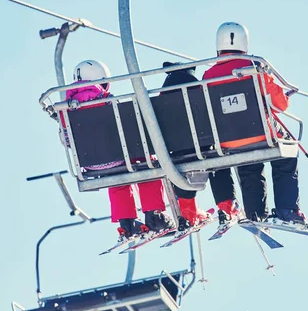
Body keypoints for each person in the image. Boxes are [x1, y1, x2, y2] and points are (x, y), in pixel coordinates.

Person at [202, 22, 308, 229]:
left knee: (248, 166)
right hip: (261, 134)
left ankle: (256, 213)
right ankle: (287, 210)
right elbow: (279, 104)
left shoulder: (208, 76)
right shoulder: (254, 68)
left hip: (227, 139)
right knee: (286, 155)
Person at [64, 60, 174, 241]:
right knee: (146, 164)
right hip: (114, 155)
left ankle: (127, 224)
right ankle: (154, 215)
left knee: (116, 179)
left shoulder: (67, 107)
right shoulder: (104, 100)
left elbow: (68, 138)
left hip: (89, 162)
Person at [160, 62, 241, 230]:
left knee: (178, 167)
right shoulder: (200, 91)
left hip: (176, 152)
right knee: (218, 161)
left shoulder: (160, 100)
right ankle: (227, 207)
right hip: (203, 146)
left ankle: (188, 213)